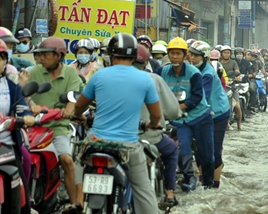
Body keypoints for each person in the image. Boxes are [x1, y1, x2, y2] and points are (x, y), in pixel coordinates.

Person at [72, 33, 161, 214]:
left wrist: (79, 116)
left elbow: (80, 106)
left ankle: (77, 202)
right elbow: (157, 115)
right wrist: (152, 124)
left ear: (111, 54)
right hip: (128, 146)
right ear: (135, 55)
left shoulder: (98, 76)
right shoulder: (145, 79)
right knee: (143, 190)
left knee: (78, 164)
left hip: (96, 141)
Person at [26, 37, 81, 213]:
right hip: (33, 127)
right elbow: (24, 93)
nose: (41, 59)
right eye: (39, 56)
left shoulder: (71, 73)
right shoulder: (34, 72)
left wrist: (68, 110)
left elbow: (72, 97)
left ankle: (74, 204)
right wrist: (30, 104)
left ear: (59, 55)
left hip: (58, 127)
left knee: (66, 160)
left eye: (45, 55)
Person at [153, 37, 213, 191]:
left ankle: (209, 182)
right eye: (172, 53)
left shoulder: (194, 73)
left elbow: (197, 96)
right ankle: (189, 178)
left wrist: (177, 108)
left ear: (185, 55)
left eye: (178, 53)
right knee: (182, 148)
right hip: (180, 121)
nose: (174, 57)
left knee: (206, 153)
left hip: (200, 116)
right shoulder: (161, 72)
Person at [132, 44, 180, 207]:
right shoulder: (153, 79)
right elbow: (173, 110)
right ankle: (170, 193)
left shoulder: (104, 76)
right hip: (147, 138)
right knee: (172, 149)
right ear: (146, 62)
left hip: (110, 136)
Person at [0, 39, 36, 214]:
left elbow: (23, 110)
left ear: (5, 61)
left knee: (24, 204)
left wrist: (25, 118)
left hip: (7, 147)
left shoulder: (12, 86)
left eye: (0, 57)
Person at [189, 41, 230, 189]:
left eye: (196, 55)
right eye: (191, 54)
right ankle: (203, 180)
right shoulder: (190, 70)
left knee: (214, 149)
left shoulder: (207, 74)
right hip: (200, 113)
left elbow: (202, 97)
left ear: (204, 57)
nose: (192, 58)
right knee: (199, 149)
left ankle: (214, 184)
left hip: (218, 113)